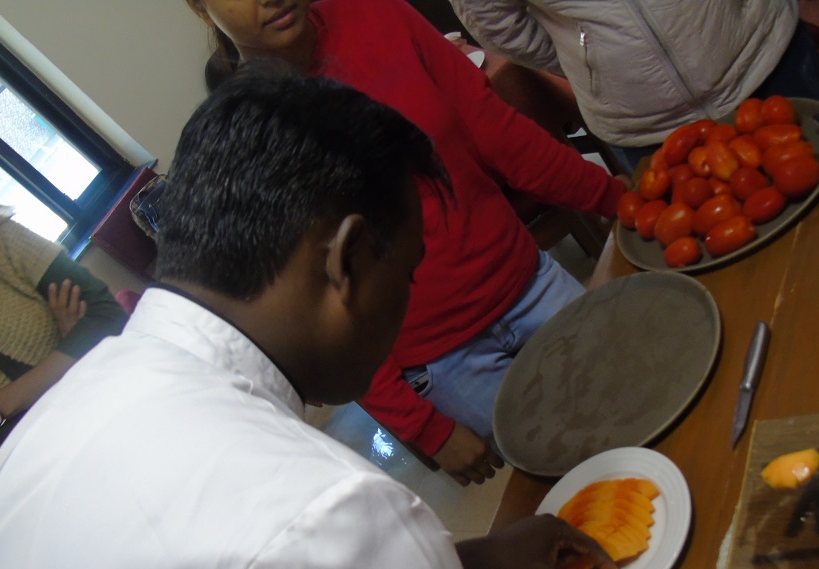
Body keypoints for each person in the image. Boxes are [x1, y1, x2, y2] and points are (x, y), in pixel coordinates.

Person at [0, 68, 657, 569]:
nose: (406, 304)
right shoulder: (320, 514)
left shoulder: (49, 430)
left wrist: (471, 558)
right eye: (408, 274)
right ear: (347, 260)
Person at [187, 0, 630, 487]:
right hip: (445, 363)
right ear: (201, 9)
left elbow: (499, 133)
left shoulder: (377, 13)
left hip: (526, 281)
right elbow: (317, 315)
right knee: (585, 477)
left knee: (634, 397)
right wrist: (424, 428)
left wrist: (618, 199)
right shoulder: (249, 133)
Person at [449, 0, 819, 173]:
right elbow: (495, 21)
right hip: (644, 126)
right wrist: (594, 62)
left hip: (765, 54)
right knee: (736, 280)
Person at [0, 202, 127, 489]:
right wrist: (73, 355)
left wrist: (4, 405)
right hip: (65, 481)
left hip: (127, 404)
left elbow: (108, 317)